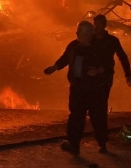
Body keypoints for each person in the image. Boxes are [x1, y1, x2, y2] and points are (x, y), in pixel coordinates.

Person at [44, 21, 108, 156]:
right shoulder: (73, 46)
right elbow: (65, 58)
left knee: (98, 117)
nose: (79, 35)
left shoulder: (99, 48)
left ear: (91, 34)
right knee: (76, 117)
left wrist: (98, 70)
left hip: (94, 90)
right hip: (77, 89)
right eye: (79, 32)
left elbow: (108, 66)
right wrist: (55, 67)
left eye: (84, 33)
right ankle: (73, 144)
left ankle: (102, 143)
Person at [93, 14, 131, 88]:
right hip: (90, 76)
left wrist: (128, 75)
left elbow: (123, 57)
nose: (96, 27)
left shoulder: (112, 41)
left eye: (99, 24)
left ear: (104, 25)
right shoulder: (89, 40)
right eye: (95, 24)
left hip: (106, 77)